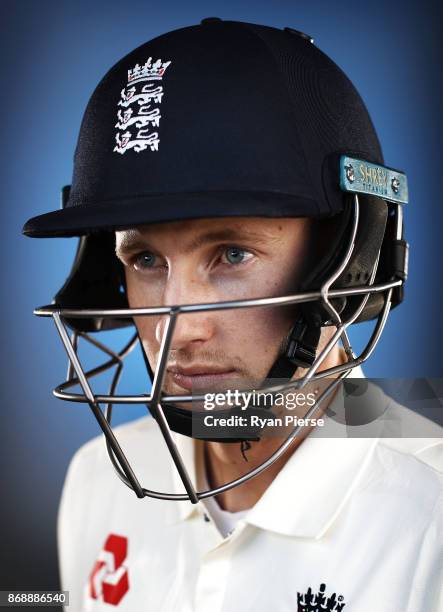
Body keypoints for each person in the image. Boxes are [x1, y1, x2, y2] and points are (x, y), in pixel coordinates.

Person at [23, 18, 442, 612]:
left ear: (351, 261)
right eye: (144, 258)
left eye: (233, 254)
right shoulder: (100, 479)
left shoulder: (430, 514)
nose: (179, 329)